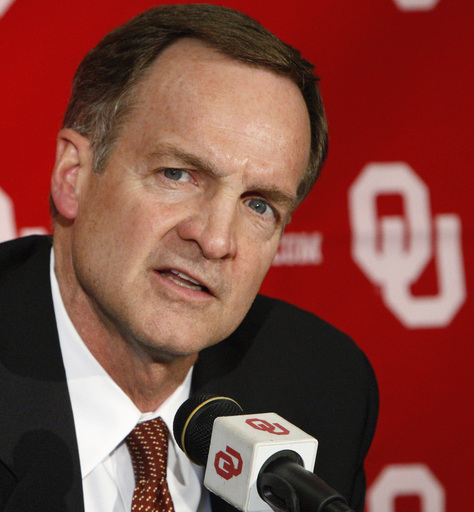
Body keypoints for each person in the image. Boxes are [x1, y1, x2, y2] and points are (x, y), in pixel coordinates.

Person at [0, 4, 378, 512]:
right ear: (74, 177)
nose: (216, 240)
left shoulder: (322, 386)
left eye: (259, 205)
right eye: (177, 175)